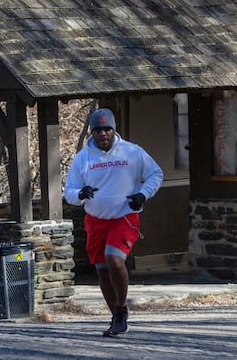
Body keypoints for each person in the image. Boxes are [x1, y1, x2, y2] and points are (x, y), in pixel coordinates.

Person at [64, 108, 163, 337]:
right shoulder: (83, 158)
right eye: (98, 130)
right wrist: (81, 194)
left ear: (114, 129)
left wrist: (143, 194)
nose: (103, 134)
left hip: (124, 216)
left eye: (107, 129)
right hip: (96, 220)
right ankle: (116, 318)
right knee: (102, 271)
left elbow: (155, 174)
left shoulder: (132, 152)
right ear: (92, 132)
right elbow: (69, 191)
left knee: (114, 260)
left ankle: (121, 309)